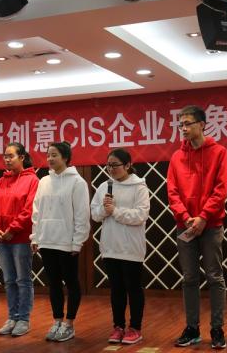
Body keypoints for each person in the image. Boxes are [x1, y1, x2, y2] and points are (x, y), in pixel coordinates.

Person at [167, 105, 227, 350]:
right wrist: (185, 217)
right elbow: (172, 192)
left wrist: (203, 217)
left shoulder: (219, 152)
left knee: (215, 277)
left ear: (202, 125)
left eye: (188, 124)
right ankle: (192, 328)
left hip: (211, 224)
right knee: (189, 278)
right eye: (181, 124)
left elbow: (221, 189)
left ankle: (217, 328)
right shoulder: (176, 157)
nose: (183, 128)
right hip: (185, 225)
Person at [31, 141, 90, 342]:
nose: (50, 158)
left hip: (67, 242)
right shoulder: (44, 181)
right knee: (54, 284)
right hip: (47, 240)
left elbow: (82, 214)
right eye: (48, 155)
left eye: (54, 155)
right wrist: (35, 236)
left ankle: (69, 324)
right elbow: (37, 211)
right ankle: (57, 321)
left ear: (65, 157)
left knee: (71, 283)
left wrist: (77, 241)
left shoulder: (77, 182)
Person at [91, 148, 150, 345]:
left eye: (115, 165)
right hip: (110, 246)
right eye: (108, 165)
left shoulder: (139, 186)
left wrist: (115, 211)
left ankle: (135, 328)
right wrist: (105, 210)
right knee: (116, 289)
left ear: (127, 165)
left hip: (131, 248)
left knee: (133, 288)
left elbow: (140, 215)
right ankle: (118, 326)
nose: (111, 169)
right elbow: (95, 214)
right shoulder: (104, 186)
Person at [0, 142, 39, 337]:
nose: (7, 160)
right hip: (2, 239)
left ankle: (23, 319)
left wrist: (12, 229)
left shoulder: (32, 180)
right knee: (9, 280)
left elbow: (29, 210)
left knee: (23, 280)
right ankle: (12, 317)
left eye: (11, 156)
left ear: (22, 157)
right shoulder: (1, 181)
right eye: (5, 156)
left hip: (20, 238)